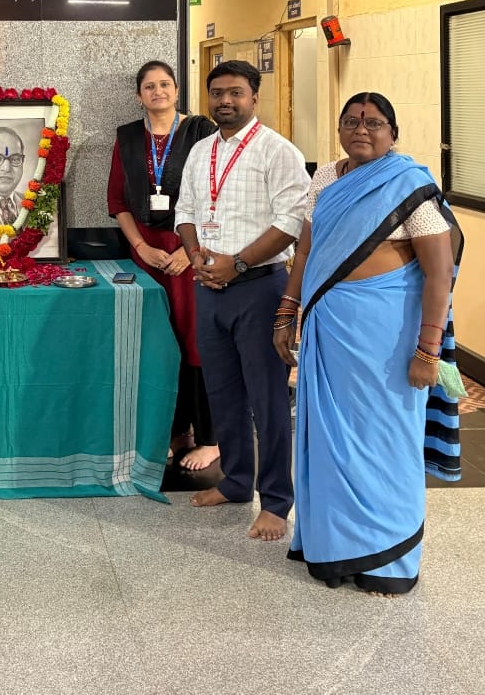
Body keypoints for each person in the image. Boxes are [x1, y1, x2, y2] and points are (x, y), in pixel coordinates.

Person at [273, 92, 462, 595]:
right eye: (352, 121)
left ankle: (389, 557)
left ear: (393, 134)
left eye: (374, 122)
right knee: (328, 437)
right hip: (327, 327)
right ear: (339, 128)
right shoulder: (325, 178)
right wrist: (287, 311)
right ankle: (332, 546)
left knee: (384, 437)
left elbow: (439, 272)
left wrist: (427, 351)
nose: (361, 129)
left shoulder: (408, 184)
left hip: (385, 335)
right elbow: (305, 250)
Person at [175, 60, 310, 541]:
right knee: (223, 392)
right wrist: (196, 255)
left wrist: (238, 263)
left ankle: (275, 501)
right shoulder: (200, 151)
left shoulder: (279, 152)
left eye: (235, 92)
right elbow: (185, 210)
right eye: (217, 93)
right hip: (208, 286)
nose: (225, 101)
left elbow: (291, 223)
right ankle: (235, 482)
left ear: (254, 97)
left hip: (259, 287)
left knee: (267, 398)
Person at [107, 61, 220, 470]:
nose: (158, 91)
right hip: (146, 253)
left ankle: (210, 438)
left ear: (176, 89)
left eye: (165, 84)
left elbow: (215, 195)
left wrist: (190, 251)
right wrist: (139, 246)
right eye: (149, 86)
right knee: (157, 343)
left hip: (192, 250)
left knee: (196, 341)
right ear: (139, 95)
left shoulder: (201, 131)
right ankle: (175, 430)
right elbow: (117, 201)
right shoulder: (127, 137)